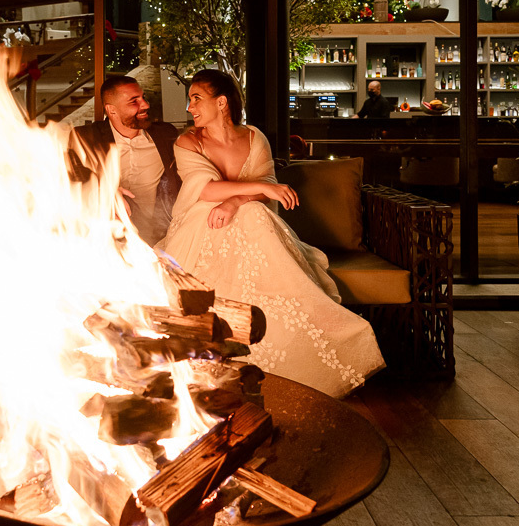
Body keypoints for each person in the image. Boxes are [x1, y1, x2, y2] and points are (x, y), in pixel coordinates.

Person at [157, 69, 384, 398]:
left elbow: (265, 187)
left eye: (196, 98)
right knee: (250, 212)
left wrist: (236, 201)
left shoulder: (254, 137)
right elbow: (205, 190)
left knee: (253, 213)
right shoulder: (188, 142)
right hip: (201, 223)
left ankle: (315, 339)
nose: (189, 107)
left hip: (250, 219)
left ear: (221, 102)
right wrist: (255, 192)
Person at [68, 76, 180, 246]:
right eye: (134, 101)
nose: (145, 105)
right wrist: (105, 191)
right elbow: (73, 181)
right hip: (103, 232)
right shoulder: (86, 137)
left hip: (160, 232)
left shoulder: (165, 135)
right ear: (111, 110)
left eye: (143, 97)